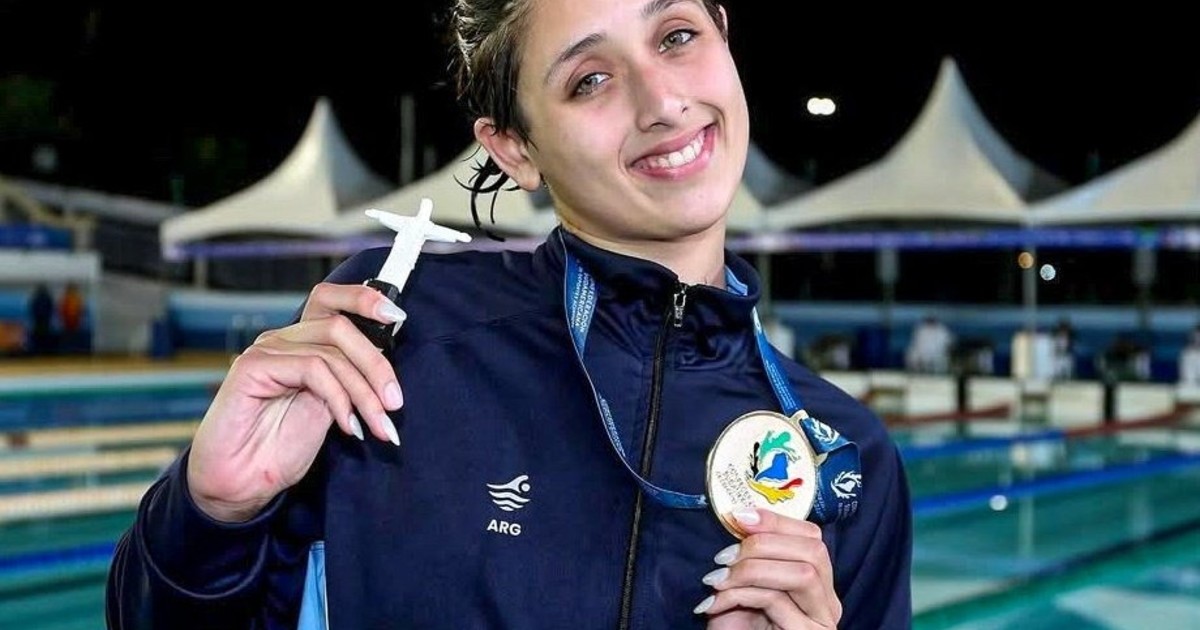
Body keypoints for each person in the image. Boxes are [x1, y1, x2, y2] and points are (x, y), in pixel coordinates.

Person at [105, 1, 912, 628]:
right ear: (513, 149)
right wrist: (213, 514)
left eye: (676, 36)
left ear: (724, 35)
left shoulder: (848, 460)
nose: (663, 102)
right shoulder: (392, 338)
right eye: (589, 80)